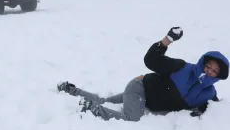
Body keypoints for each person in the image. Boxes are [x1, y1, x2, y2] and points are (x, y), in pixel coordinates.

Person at [57, 27, 229, 121]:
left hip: (143, 98)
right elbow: (152, 60)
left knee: (106, 100)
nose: (210, 72)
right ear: (203, 63)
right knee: (131, 118)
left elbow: (215, 110)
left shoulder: (209, 93)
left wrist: (200, 111)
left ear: (218, 76)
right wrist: (167, 40)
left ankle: (71, 90)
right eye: (209, 66)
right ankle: (90, 108)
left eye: (215, 71)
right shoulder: (183, 68)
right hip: (139, 88)